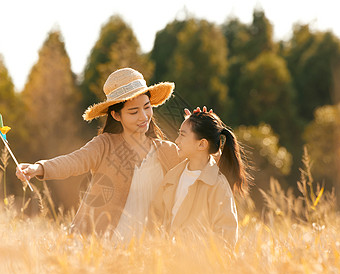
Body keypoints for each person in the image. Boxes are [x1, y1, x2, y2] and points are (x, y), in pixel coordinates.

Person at [16, 68, 180, 240]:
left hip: (149, 247)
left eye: (147, 107)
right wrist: (39, 168)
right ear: (117, 115)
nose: (144, 116)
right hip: (105, 242)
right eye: (133, 112)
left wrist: (203, 126)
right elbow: (74, 161)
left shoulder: (167, 151)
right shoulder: (104, 145)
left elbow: (203, 164)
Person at [150, 109, 249, 248]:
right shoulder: (172, 177)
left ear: (202, 144)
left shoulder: (217, 186)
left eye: (182, 135)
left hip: (197, 266)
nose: (177, 141)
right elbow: (155, 218)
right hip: (167, 262)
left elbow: (226, 238)